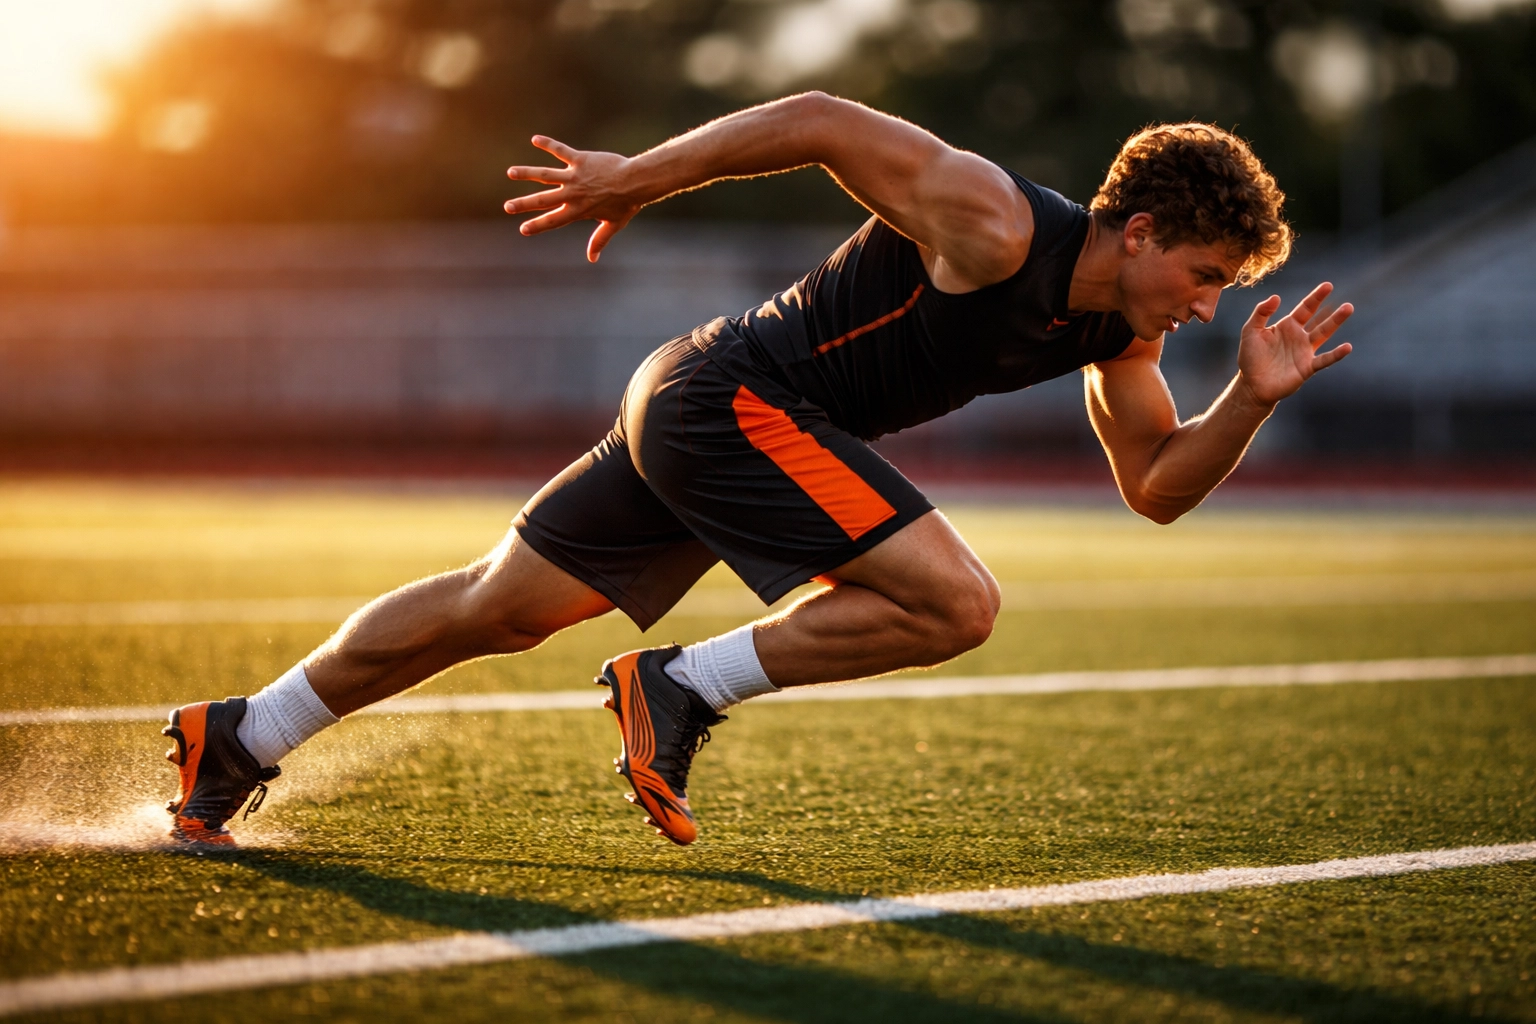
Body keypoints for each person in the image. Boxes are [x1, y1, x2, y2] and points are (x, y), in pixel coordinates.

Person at [161, 93, 1352, 846]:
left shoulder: (1121, 333)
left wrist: (1248, 394)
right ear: (1137, 230)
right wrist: (637, 177)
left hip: (710, 408)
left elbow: (1153, 487)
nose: (1209, 304)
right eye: (1204, 275)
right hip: (730, 401)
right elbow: (825, 119)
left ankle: (242, 734)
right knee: (959, 602)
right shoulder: (993, 222)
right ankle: (679, 688)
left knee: (496, 609)